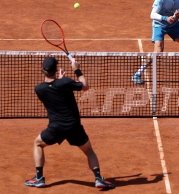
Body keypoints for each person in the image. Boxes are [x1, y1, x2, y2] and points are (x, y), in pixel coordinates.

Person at [24, 56, 115, 190]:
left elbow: (53, 87)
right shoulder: (65, 82)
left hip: (55, 129)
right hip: (74, 127)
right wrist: (77, 70)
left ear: (42, 70)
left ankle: (39, 178)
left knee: (38, 143)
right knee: (89, 150)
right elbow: (85, 86)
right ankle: (98, 179)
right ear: (56, 69)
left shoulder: (39, 89)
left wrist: (61, 81)